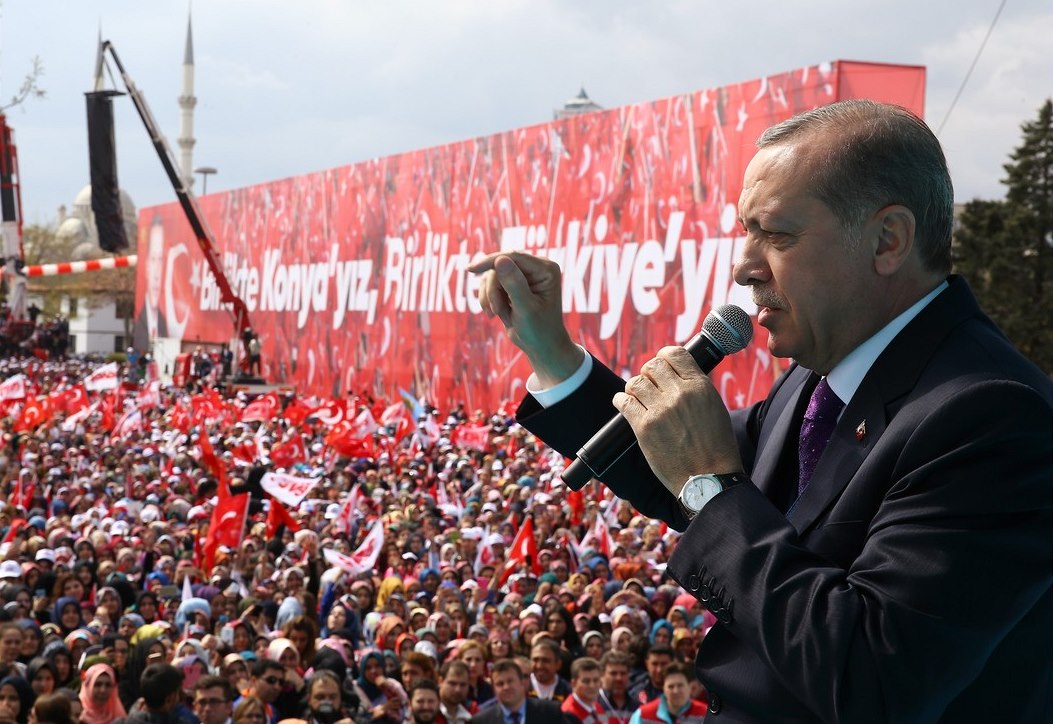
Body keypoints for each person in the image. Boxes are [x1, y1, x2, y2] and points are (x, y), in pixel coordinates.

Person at [470, 98, 1053, 722]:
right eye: (747, 232)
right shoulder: (819, 372)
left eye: (775, 235)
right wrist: (551, 353)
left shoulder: (993, 417)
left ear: (888, 240)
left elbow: (873, 678)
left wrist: (711, 484)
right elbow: (678, 469)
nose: (745, 267)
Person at [470, 660, 566, 724]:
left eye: (510, 681)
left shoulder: (550, 712)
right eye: (500, 684)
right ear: (494, 689)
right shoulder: (482, 721)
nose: (506, 687)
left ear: (522, 683)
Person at [627, 664, 705, 724]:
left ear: (689, 687)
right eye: (671, 686)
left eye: (680, 685)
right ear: (663, 688)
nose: (676, 691)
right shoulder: (643, 715)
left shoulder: (704, 714)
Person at [559, 658, 604, 724]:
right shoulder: (567, 713)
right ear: (573, 684)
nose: (592, 686)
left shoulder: (598, 707)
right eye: (586, 681)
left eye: (596, 680)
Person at [597, 652, 637, 724]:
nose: (619, 678)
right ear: (602, 675)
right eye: (613, 673)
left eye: (623, 673)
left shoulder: (637, 706)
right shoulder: (592, 704)